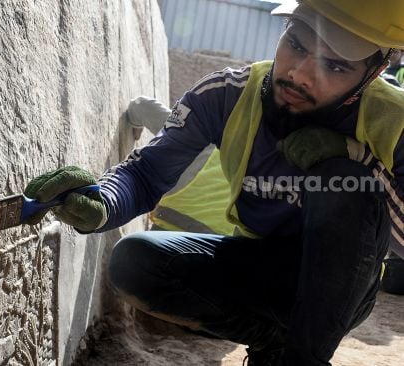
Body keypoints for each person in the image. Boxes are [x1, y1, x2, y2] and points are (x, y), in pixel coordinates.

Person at [23, 1, 404, 365]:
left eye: (335, 67)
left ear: (372, 73)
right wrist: (101, 201)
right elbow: (146, 173)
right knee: (134, 261)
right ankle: (273, 342)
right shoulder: (227, 94)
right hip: (258, 265)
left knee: (345, 179)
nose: (301, 74)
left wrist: (361, 159)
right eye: (296, 44)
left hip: (344, 290)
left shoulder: (394, 121)